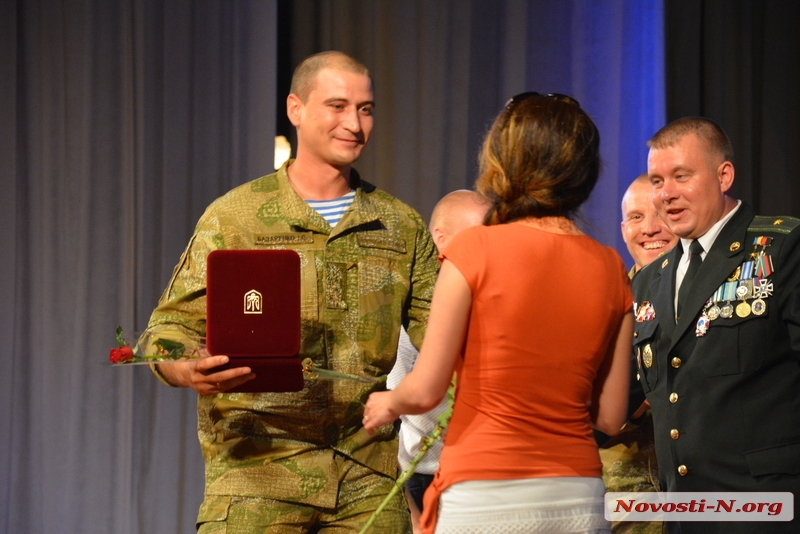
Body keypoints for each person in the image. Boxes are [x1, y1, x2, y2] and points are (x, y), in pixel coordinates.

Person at [141, 51, 439, 533]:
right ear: (295, 109)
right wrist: (186, 368)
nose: (355, 123)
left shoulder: (399, 225)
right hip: (257, 471)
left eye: (366, 109)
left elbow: (442, 334)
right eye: (338, 106)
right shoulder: (235, 216)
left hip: (365, 476)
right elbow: (166, 331)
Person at [364, 92, 633, 534]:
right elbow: (609, 417)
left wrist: (387, 402)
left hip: (484, 494)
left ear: (502, 160)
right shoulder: (611, 267)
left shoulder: (473, 250)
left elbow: (426, 390)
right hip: (577, 494)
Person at [632, 116, 800, 534]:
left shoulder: (781, 248)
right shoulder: (650, 279)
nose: (666, 193)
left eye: (681, 176)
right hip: (684, 515)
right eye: (657, 180)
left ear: (724, 175)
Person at [387, 190, 490, 533]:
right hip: (423, 474)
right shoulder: (411, 308)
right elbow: (393, 402)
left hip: (485, 473)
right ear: (439, 240)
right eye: (479, 235)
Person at [597, 174, 678, 534]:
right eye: (635, 217)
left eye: (661, 213)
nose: (650, 229)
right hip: (624, 505)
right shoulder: (599, 304)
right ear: (622, 227)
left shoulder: (716, 297)